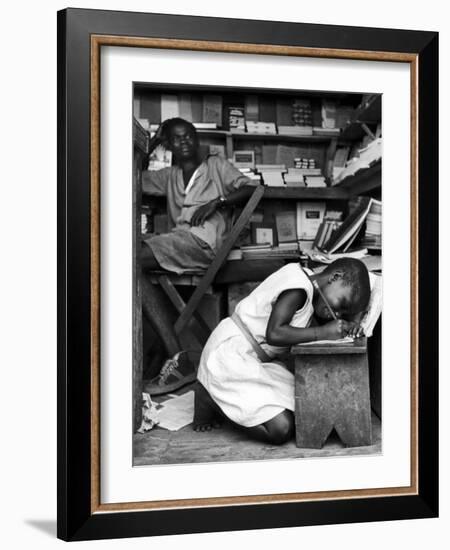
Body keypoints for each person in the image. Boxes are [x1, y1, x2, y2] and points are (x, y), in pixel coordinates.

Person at [193, 258, 371, 445]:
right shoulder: (298, 289)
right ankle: (211, 399)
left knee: (308, 407)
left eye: (343, 314)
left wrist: (349, 327)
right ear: (335, 277)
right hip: (229, 356)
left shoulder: (311, 290)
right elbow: (275, 334)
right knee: (281, 429)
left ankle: (222, 396)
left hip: (254, 361)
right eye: (341, 303)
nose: (337, 313)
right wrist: (323, 332)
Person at [140, 117, 257, 395]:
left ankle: (177, 356)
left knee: (129, 260)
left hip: (202, 245)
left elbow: (252, 188)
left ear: (196, 138)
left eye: (189, 136)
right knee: (131, 264)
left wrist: (219, 201)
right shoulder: (168, 176)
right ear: (168, 145)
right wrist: (151, 145)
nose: (184, 142)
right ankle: (174, 354)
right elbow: (135, 178)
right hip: (178, 244)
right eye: (176, 139)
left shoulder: (215, 166)